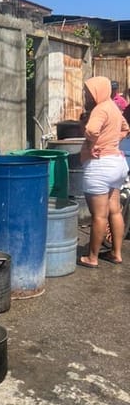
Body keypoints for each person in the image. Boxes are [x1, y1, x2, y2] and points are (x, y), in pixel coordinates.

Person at [78, 76, 129, 268]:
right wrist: (111, 142)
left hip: (100, 166)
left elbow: (91, 130)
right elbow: (126, 128)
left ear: (97, 91)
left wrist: (94, 144)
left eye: (88, 93)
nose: (86, 96)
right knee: (114, 210)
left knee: (99, 215)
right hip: (117, 163)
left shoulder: (100, 109)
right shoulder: (113, 107)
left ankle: (92, 257)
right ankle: (116, 253)